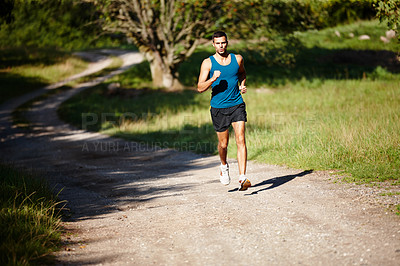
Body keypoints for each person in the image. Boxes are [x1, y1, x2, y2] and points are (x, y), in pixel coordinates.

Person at [197, 31, 251, 191]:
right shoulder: (208, 63)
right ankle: (224, 166)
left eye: (223, 43)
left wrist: (242, 85)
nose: (221, 46)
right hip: (218, 108)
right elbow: (200, 87)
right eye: (218, 43)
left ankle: (242, 177)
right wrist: (213, 79)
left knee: (240, 138)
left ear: (227, 43)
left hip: (237, 104)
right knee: (223, 144)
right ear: (213, 44)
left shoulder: (238, 59)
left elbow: (242, 73)